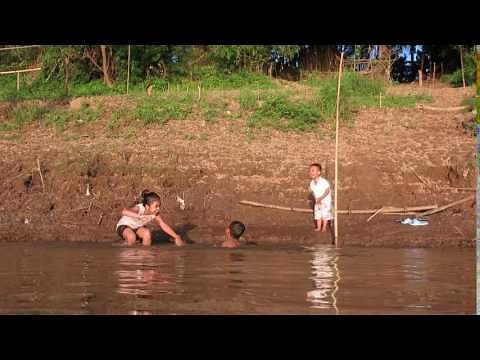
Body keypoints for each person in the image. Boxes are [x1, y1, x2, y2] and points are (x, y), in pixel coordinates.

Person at [116, 190, 184, 247]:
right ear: (147, 206)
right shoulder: (139, 208)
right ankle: (128, 254)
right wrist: (139, 216)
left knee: (147, 233)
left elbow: (162, 224)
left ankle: (145, 255)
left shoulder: (155, 213)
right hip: (124, 226)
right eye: (156, 206)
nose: (158, 208)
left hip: (137, 228)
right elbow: (124, 211)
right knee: (131, 237)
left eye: (159, 206)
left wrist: (176, 236)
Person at [308, 163, 332, 232]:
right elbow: (313, 192)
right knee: (318, 214)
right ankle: (318, 227)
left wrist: (321, 198)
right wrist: (316, 199)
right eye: (310, 171)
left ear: (318, 172)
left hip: (325, 201)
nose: (311, 172)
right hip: (317, 201)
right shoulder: (312, 183)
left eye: (313, 170)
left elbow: (327, 191)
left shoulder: (323, 181)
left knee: (325, 215)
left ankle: (324, 227)